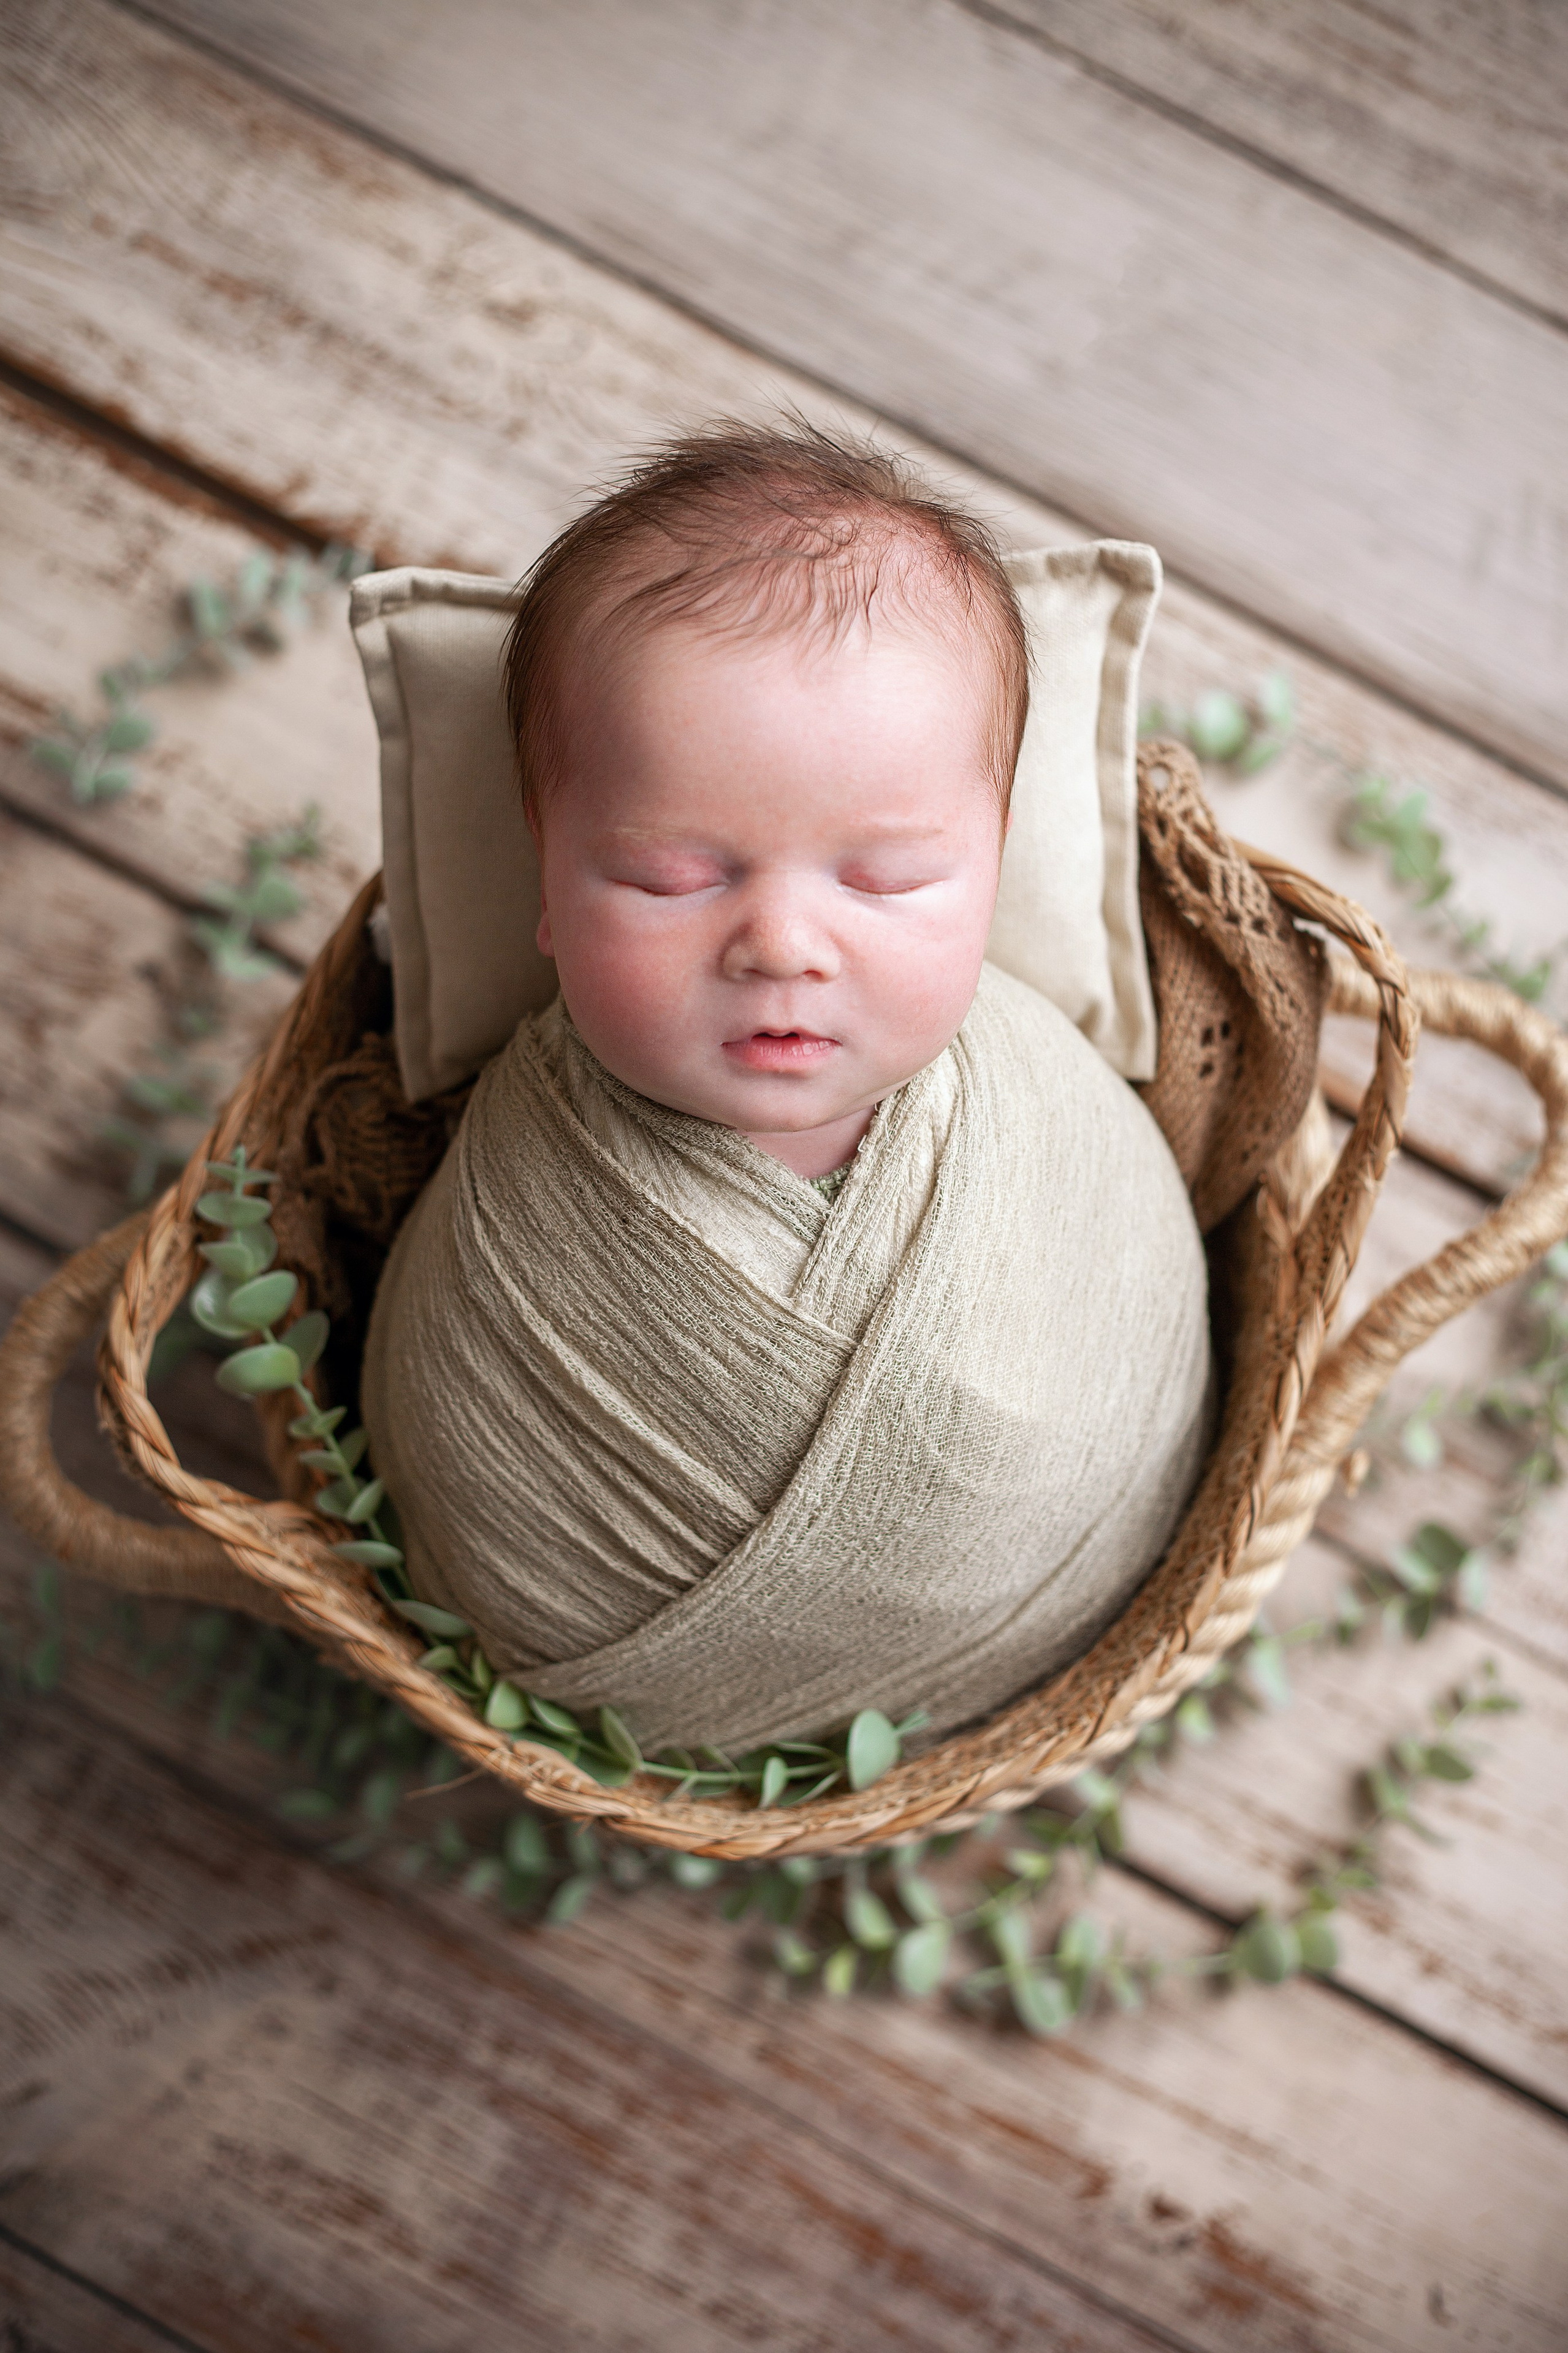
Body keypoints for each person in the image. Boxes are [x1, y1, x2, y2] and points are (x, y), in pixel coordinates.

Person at [360, 423, 1213, 1757]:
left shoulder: (1048, 1109)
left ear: (992, 864)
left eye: (883, 880)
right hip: (593, 1666)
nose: (781, 946)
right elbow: (462, 1449)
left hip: (1071, 1602)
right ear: (542, 882)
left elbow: (1143, 1321)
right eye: (668, 877)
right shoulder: (508, 1199)